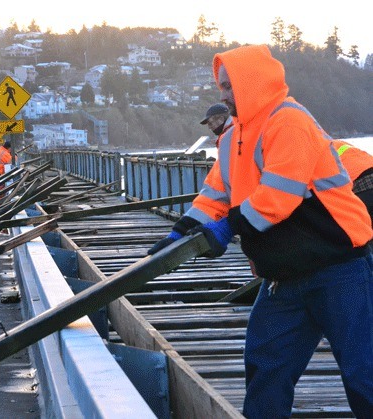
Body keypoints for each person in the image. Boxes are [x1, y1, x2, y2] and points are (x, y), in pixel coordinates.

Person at [148, 45, 373, 418]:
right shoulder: (232, 138)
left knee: (363, 372)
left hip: (338, 269)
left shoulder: (289, 121)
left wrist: (227, 229)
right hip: (283, 278)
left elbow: (278, 197)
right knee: (266, 368)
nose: (221, 95)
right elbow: (214, 195)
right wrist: (183, 230)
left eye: (227, 87)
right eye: (220, 87)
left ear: (249, 84)